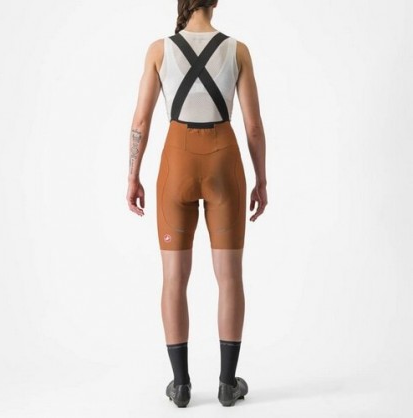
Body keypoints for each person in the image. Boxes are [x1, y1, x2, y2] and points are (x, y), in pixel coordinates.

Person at [126, 0, 267, 408]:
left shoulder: (159, 50)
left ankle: (181, 385)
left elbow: (140, 122)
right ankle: (227, 384)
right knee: (229, 277)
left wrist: (133, 175)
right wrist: (261, 179)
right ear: (215, 0)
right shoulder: (238, 51)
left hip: (177, 164)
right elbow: (253, 126)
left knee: (174, 278)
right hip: (224, 161)